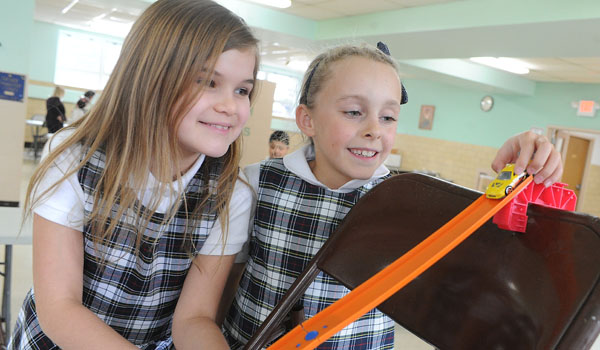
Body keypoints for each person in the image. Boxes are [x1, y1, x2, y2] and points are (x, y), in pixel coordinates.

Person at [222, 43, 563, 349]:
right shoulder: (256, 182)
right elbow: (225, 283)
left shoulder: (410, 202)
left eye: (388, 117)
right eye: (354, 112)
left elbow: (500, 249)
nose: (374, 129)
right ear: (306, 119)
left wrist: (526, 168)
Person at [9, 0, 259, 349]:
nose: (230, 106)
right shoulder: (74, 157)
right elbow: (60, 308)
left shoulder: (231, 194)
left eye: (242, 90)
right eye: (208, 82)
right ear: (151, 77)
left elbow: (194, 318)